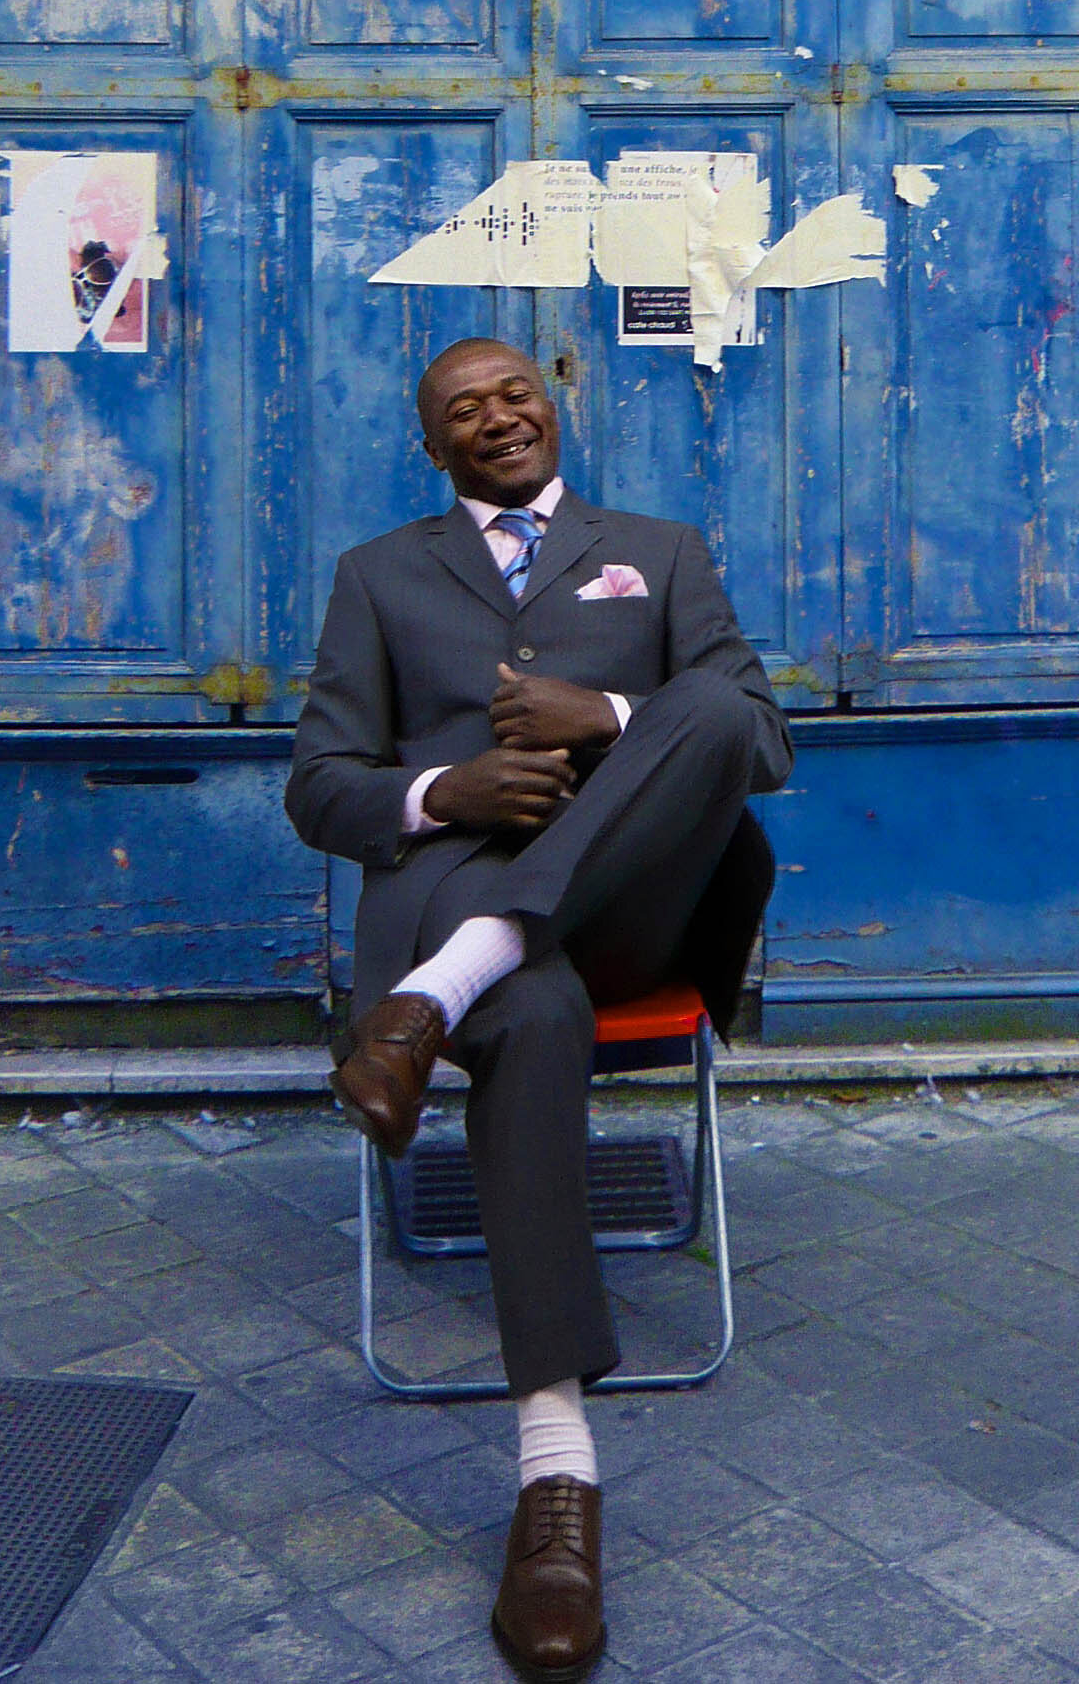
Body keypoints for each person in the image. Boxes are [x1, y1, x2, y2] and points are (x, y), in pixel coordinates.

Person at [286, 339, 790, 1681]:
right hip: (457, 885)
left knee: (703, 704)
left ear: (553, 404)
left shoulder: (659, 550)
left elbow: (762, 740)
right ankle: (554, 1477)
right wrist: (440, 793)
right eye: (462, 407)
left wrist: (607, 713)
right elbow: (318, 787)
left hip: (628, 907)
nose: (494, 414)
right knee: (537, 1012)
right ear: (433, 446)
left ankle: (426, 1001)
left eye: (513, 391)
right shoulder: (378, 575)